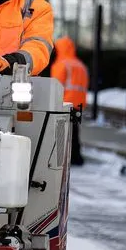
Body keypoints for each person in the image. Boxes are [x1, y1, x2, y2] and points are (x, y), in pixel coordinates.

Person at [50, 36, 89, 166]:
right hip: (78, 103)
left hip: (65, 102)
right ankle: (77, 157)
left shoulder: (60, 65)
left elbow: (56, 85)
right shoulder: (80, 65)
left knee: (62, 131)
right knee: (74, 131)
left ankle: (63, 158)